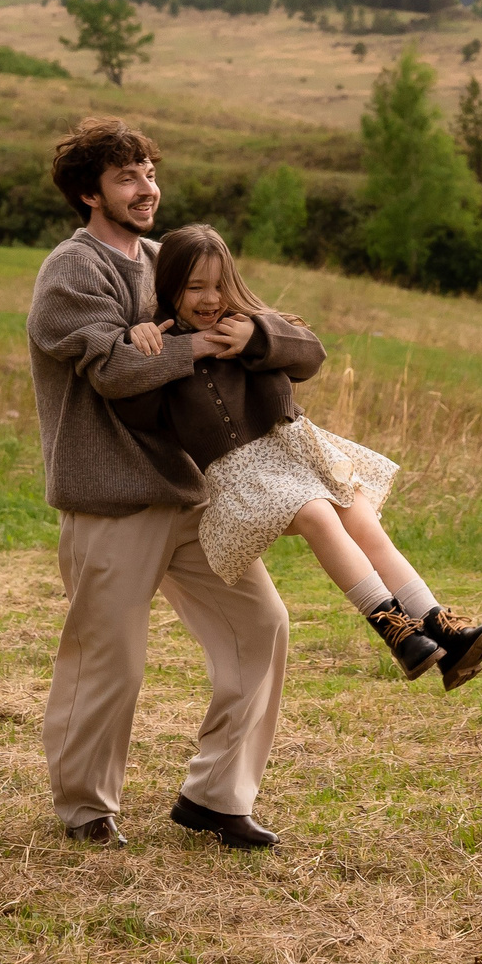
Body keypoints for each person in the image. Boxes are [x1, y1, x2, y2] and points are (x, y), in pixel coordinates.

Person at [26, 117, 289, 851]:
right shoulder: (74, 270)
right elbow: (112, 371)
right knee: (111, 656)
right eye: (126, 177)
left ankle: (216, 795)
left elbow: (263, 325)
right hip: (111, 499)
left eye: (148, 172)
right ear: (89, 193)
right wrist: (199, 341)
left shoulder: (163, 260)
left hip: (188, 492)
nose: (146, 189)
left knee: (261, 626)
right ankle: (85, 808)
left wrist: (248, 336)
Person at [113, 223, 482, 692]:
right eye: (195, 287)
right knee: (318, 515)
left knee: (362, 522)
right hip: (243, 472)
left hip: (298, 447)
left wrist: (257, 336)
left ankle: (443, 631)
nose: (211, 298)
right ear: (170, 288)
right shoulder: (162, 340)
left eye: (220, 284)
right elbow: (134, 408)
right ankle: (395, 630)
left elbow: (310, 355)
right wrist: (143, 346)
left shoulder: (250, 323)